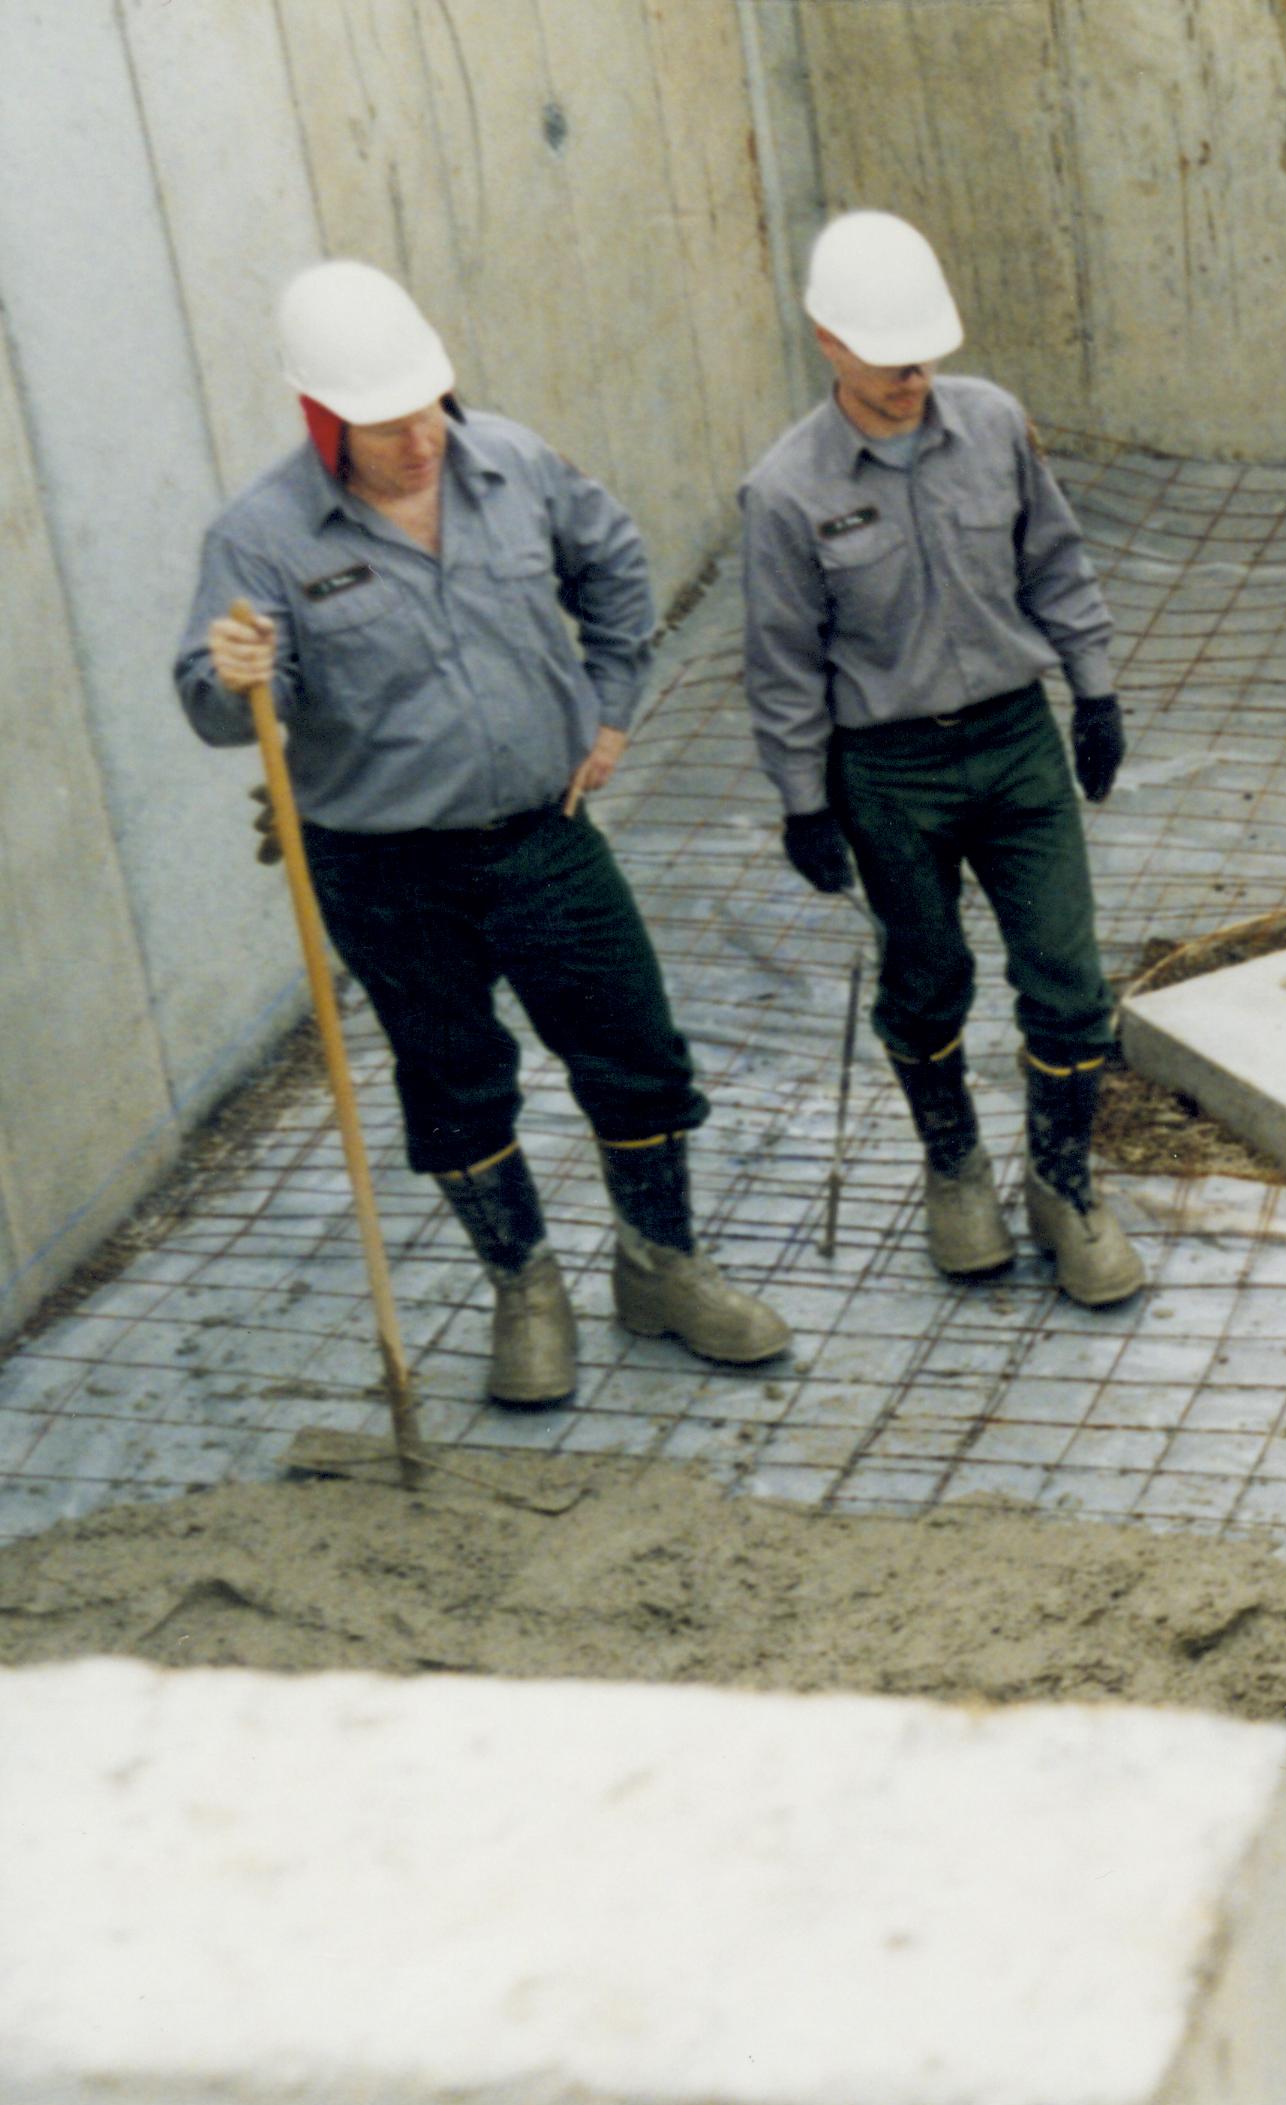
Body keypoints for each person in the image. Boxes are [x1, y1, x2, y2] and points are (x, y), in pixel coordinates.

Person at [174, 260, 787, 1407]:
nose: (423, 441)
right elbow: (217, 711)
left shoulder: (513, 462)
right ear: (324, 421)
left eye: (430, 409)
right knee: (453, 1079)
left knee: (637, 1053)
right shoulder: (259, 540)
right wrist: (230, 674)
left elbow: (611, 564)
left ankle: (660, 1266)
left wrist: (610, 704)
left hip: (542, 835)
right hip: (384, 865)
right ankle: (525, 1289)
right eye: (388, 426)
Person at [739, 209, 1143, 1307]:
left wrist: (1093, 690)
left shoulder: (995, 425)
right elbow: (782, 666)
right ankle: (955, 1169)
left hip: (1014, 748)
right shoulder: (785, 493)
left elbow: (1054, 562)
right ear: (828, 340)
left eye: (926, 352)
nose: (913, 374)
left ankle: (1064, 1186)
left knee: (1067, 980)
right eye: (887, 355)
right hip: (889, 773)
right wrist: (803, 803)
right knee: (926, 985)